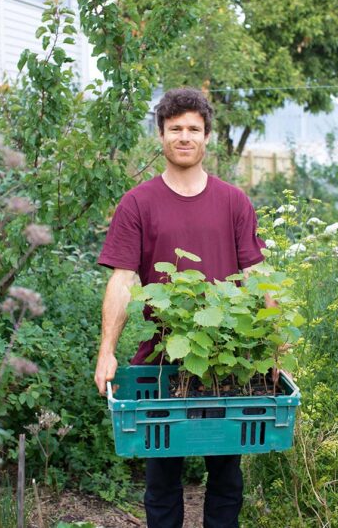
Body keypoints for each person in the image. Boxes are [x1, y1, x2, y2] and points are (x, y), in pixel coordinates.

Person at [95, 87, 266, 528]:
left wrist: (272, 346)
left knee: (226, 476)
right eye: (175, 129)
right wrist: (106, 352)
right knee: (161, 479)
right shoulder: (137, 203)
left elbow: (258, 275)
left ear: (207, 136)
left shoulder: (233, 201)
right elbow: (121, 279)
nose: (184, 137)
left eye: (193, 129)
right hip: (160, 361)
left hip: (226, 358)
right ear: (161, 135)